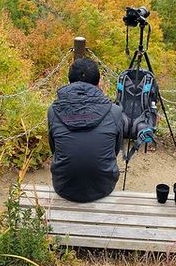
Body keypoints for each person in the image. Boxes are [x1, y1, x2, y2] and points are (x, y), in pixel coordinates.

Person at [47, 57, 124, 203]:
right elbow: (115, 149)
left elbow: (54, 149)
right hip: (103, 186)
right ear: (98, 83)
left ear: (69, 82)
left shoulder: (53, 111)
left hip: (64, 186)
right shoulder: (115, 112)